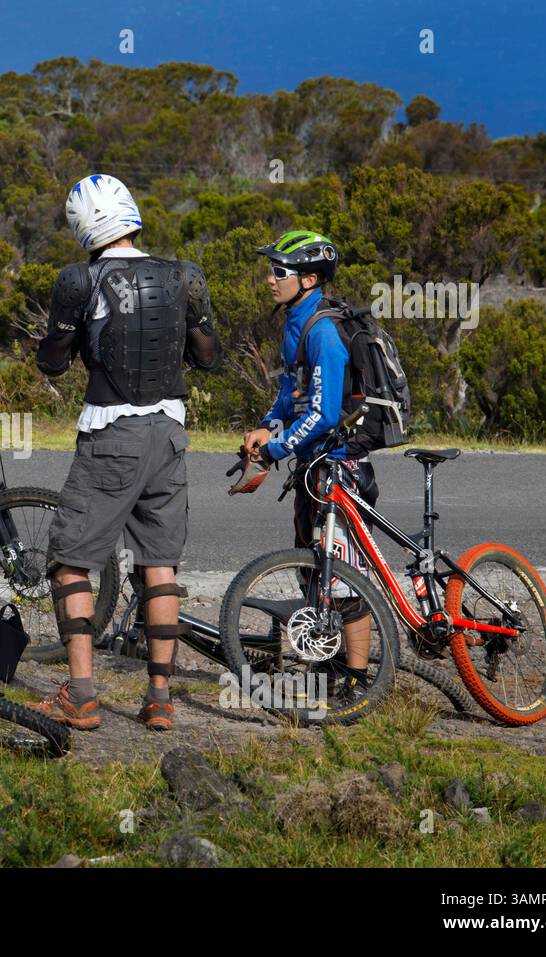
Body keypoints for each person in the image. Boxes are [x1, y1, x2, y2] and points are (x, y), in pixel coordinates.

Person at [32, 173, 222, 732]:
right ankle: (159, 700)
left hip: (111, 430)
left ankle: (82, 695)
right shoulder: (185, 276)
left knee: (70, 559)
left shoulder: (78, 279)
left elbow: (51, 362)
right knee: (159, 565)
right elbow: (208, 356)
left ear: (83, 225)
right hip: (171, 431)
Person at [230, 230, 379, 702]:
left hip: (340, 465)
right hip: (312, 468)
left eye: (279, 272)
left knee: (344, 578)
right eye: (270, 270)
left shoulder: (323, 332)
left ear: (309, 278)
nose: (269, 280)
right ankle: (331, 667)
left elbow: (323, 413)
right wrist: (267, 426)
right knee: (315, 572)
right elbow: (290, 397)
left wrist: (275, 449)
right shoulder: (295, 322)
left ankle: (357, 681)